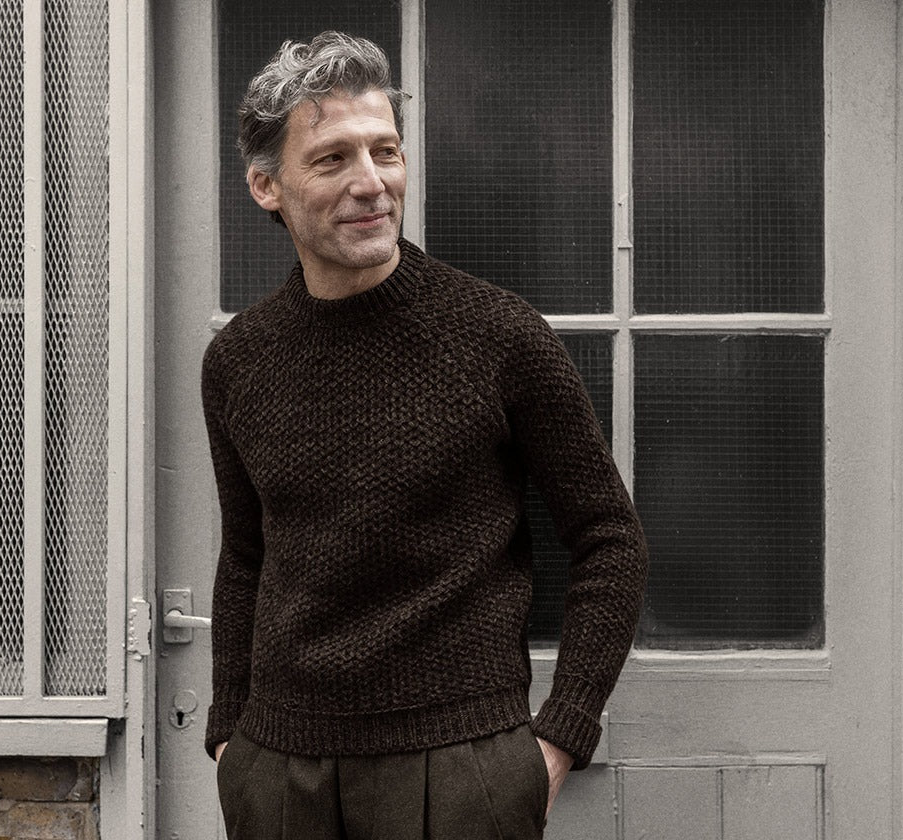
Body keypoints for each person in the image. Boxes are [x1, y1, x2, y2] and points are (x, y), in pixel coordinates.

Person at [201, 31, 647, 840]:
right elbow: (245, 559)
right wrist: (231, 737)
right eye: (333, 159)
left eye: (386, 152)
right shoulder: (238, 360)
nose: (372, 183)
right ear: (267, 186)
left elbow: (609, 538)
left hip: (463, 768)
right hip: (279, 772)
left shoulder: (498, 336)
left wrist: (560, 737)